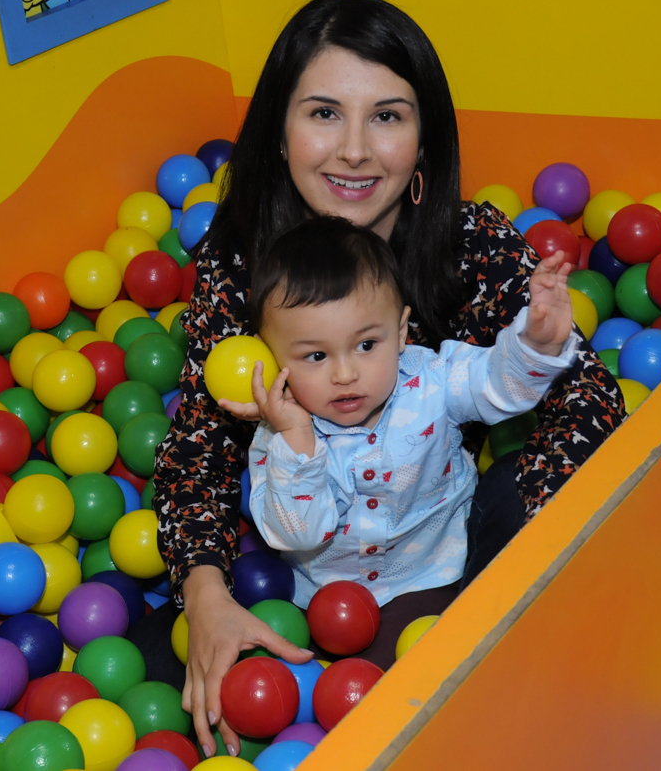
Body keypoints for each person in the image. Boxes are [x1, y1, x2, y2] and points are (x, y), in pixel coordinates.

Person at [137, 0, 626, 758]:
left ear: (424, 137)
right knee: (184, 677)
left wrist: (515, 572)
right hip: (301, 547)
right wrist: (206, 596)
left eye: (388, 116)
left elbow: (586, 397)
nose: (355, 151)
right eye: (325, 113)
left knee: (563, 499)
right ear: (279, 132)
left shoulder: (470, 241)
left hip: (443, 532)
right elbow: (198, 454)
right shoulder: (240, 262)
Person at [223, 216, 577, 667]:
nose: (346, 374)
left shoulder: (430, 379)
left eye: (367, 344)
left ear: (402, 332)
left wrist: (536, 345)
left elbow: (497, 386)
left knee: (424, 663)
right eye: (316, 355)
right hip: (321, 598)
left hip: (434, 573)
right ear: (272, 359)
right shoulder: (279, 437)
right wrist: (296, 438)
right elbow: (297, 533)